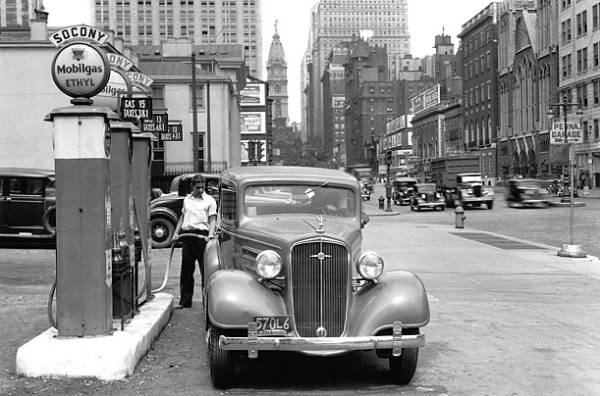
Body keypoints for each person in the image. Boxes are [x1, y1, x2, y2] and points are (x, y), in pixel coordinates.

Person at [172, 174, 217, 309]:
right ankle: (185, 302)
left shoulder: (209, 201)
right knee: (186, 271)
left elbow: (212, 219)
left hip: (202, 237)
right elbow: (182, 217)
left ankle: (207, 303)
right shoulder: (187, 200)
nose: (201, 190)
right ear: (192, 186)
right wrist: (176, 233)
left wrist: (210, 235)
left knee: (206, 271)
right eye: (198, 187)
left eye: (203, 187)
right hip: (188, 236)